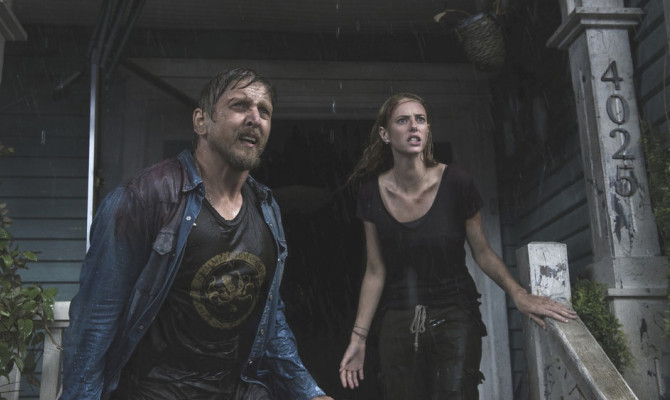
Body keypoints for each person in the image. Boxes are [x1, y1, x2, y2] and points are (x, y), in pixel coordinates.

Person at [60, 67, 333, 400]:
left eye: (264, 112)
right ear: (201, 121)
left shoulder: (266, 209)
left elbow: (269, 318)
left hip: (236, 389)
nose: (255, 118)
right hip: (153, 392)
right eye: (239, 105)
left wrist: (310, 392)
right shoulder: (143, 199)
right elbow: (95, 324)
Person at [338, 93, 577, 399]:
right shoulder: (370, 193)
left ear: (428, 130)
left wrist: (519, 294)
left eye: (420, 119)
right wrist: (358, 338)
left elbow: (483, 252)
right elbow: (375, 270)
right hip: (398, 317)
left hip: (454, 311)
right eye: (403, 120)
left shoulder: (456, 183)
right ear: (385, 134)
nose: (413, 126)